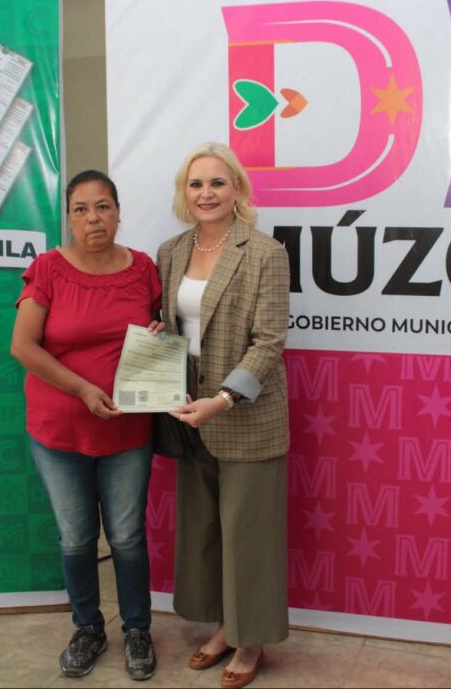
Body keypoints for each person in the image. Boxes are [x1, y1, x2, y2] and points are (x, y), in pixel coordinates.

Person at [11, 170, 161, 681]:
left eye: (103, 206)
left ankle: (137, 629)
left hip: (127, 430)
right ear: (69, 219)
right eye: (81, 209)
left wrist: (159, 333)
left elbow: (158, 332)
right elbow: (23, 346)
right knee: (76, 539)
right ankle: (88, 628)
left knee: (127, 537)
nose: (93, 218)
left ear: (118, 212)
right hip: (59, 432)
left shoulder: (143, 269)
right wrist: (81, 389)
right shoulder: (49, 269)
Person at [157, 142, 290, 689]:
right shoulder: (171, 251)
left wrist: (225, 399)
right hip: (189, 413)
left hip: (244, 414)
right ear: (184, 193)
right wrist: (156, 335)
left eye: (217, 182)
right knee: (206, 529)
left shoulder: (264, 252)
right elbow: (175, 325)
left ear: (237, 188)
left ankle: (249, 639)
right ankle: (222, 628)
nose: (206, 193)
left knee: (247, 534)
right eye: (196, 184)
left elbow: (269, 341)